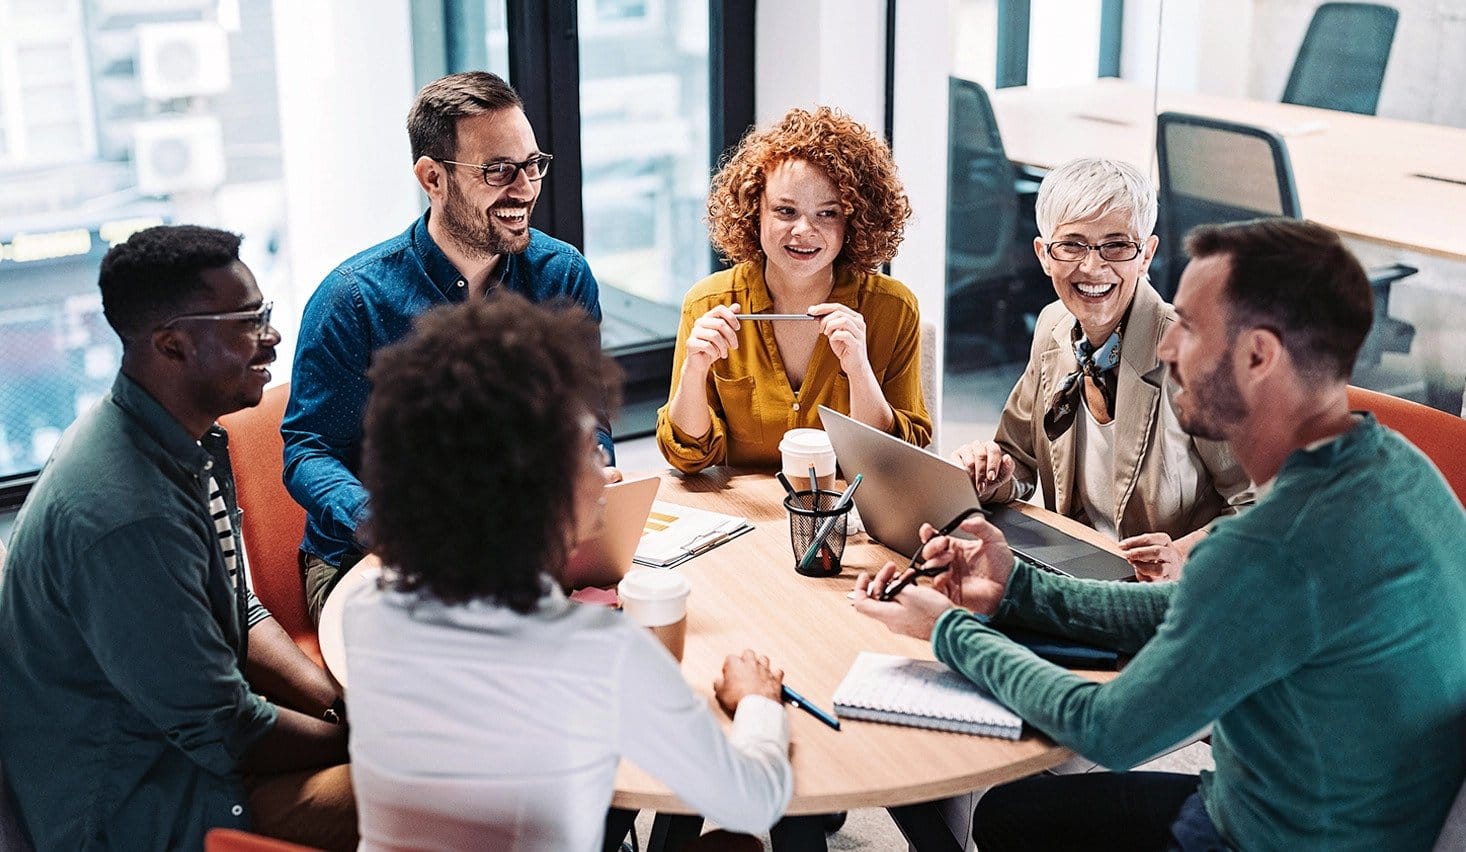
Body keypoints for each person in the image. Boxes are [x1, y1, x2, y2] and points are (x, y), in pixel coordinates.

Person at [854, 218, 1466, 850]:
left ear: (1259, 356)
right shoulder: (1395, 466)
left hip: (1268, 837)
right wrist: (1015, 589)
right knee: (1016, 814)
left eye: (1191, 326)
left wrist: (949, 631)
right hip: (1337, 809)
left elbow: (1108, 728)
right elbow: (1193, 605)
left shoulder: (1272, 546)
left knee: (1008, 816)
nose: (1167, 347)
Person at [340, 293, 793, 850]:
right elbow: (754, 795)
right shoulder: (599, 651)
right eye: (585, 448)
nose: (605, 469)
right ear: (530, 482)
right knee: (737, 831)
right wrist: (756, 704)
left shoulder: (368, 612)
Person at [0, 226, 356, 850]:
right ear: (171, 346)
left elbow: (235, 608)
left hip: (187, 751)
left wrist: (335, 702)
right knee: (436, 784)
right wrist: (366, 739)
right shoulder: (129, 515)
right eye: (249, 321)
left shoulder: (177, 436)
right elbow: (225, 731)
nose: (271, 336)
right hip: (137, 808)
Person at [283, 71, 613, 624]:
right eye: (498, 170)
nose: (526, 188)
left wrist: (592, 467)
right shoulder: (354, 299)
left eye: (533, 165)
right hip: (369, 558)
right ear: (432, 178)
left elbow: (589, 418)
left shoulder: (562, 275)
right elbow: (308, 450)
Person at [949, 158, 1251, 580]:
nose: (1092, 267)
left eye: (1117, 245)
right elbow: (1018, 459)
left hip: (1169, 597)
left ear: (1145, 254)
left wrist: (1185, 556)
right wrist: (988, 473)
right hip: (1074, 573)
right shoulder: (1054, 327)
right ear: (1044, 255)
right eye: (1072, 245)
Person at [656, 106, 932, 473]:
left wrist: (859, 369)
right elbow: (688, 456)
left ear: (854, 220)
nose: (804, 230)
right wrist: (694, 371)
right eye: (785, 211)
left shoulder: (893, 309)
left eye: (827, 213)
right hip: (746, 519)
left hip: (848, 517)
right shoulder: (708, 304)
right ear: (754, 212)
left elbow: (897, 462)